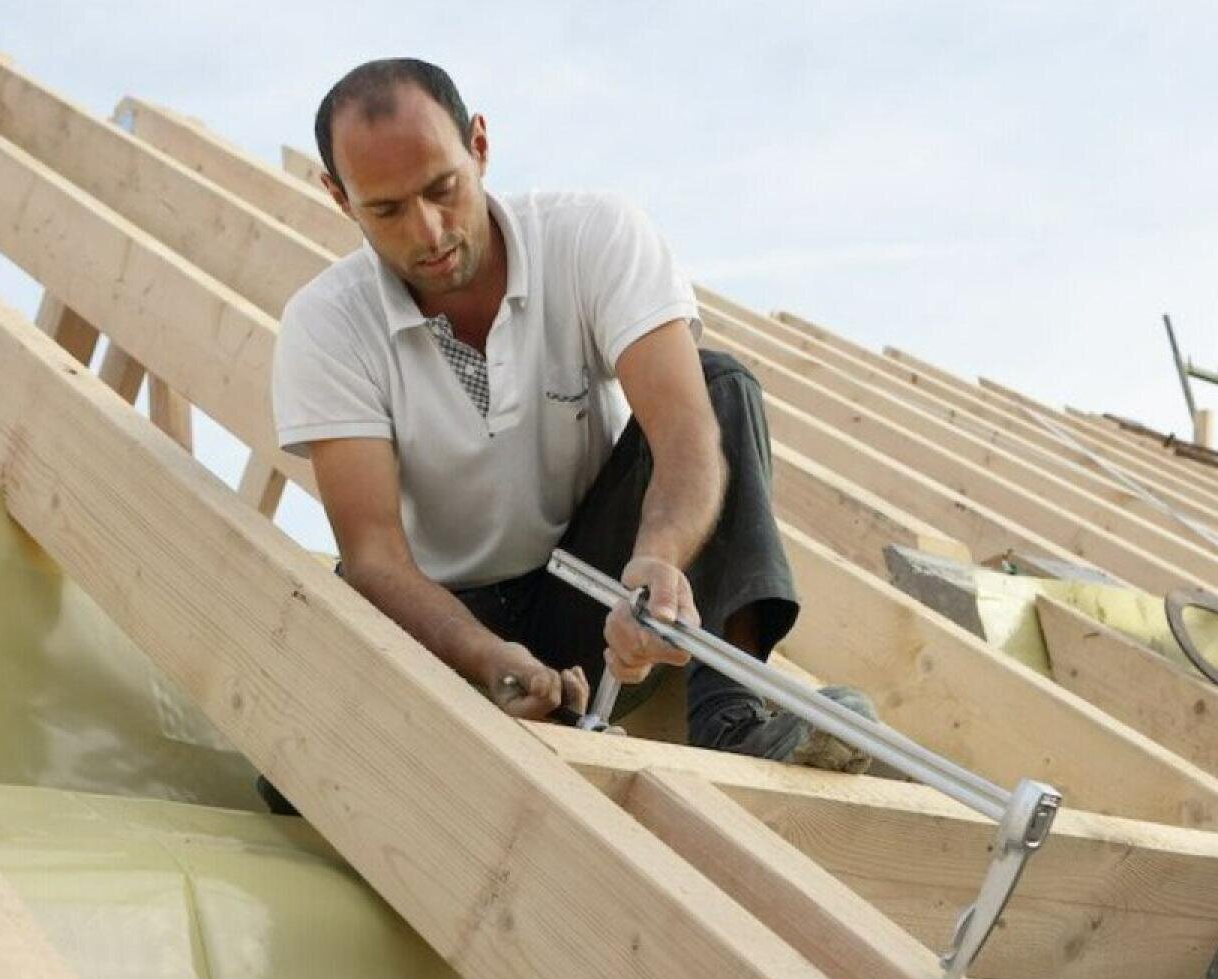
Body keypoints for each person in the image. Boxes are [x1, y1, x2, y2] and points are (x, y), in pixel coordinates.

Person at [270, 57, 875, 791]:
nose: (428, 231)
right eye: (387, 211)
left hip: (585, 584)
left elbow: (684, 432)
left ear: (480, 145)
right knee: (301, 768)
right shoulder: (326, 324)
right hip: (445, 616)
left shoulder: (591, 237)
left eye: (442, 189)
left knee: (721, 385)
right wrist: (489, 658)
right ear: (338, 197)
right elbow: (374, 559)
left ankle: (732, 724)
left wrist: (656, 560)